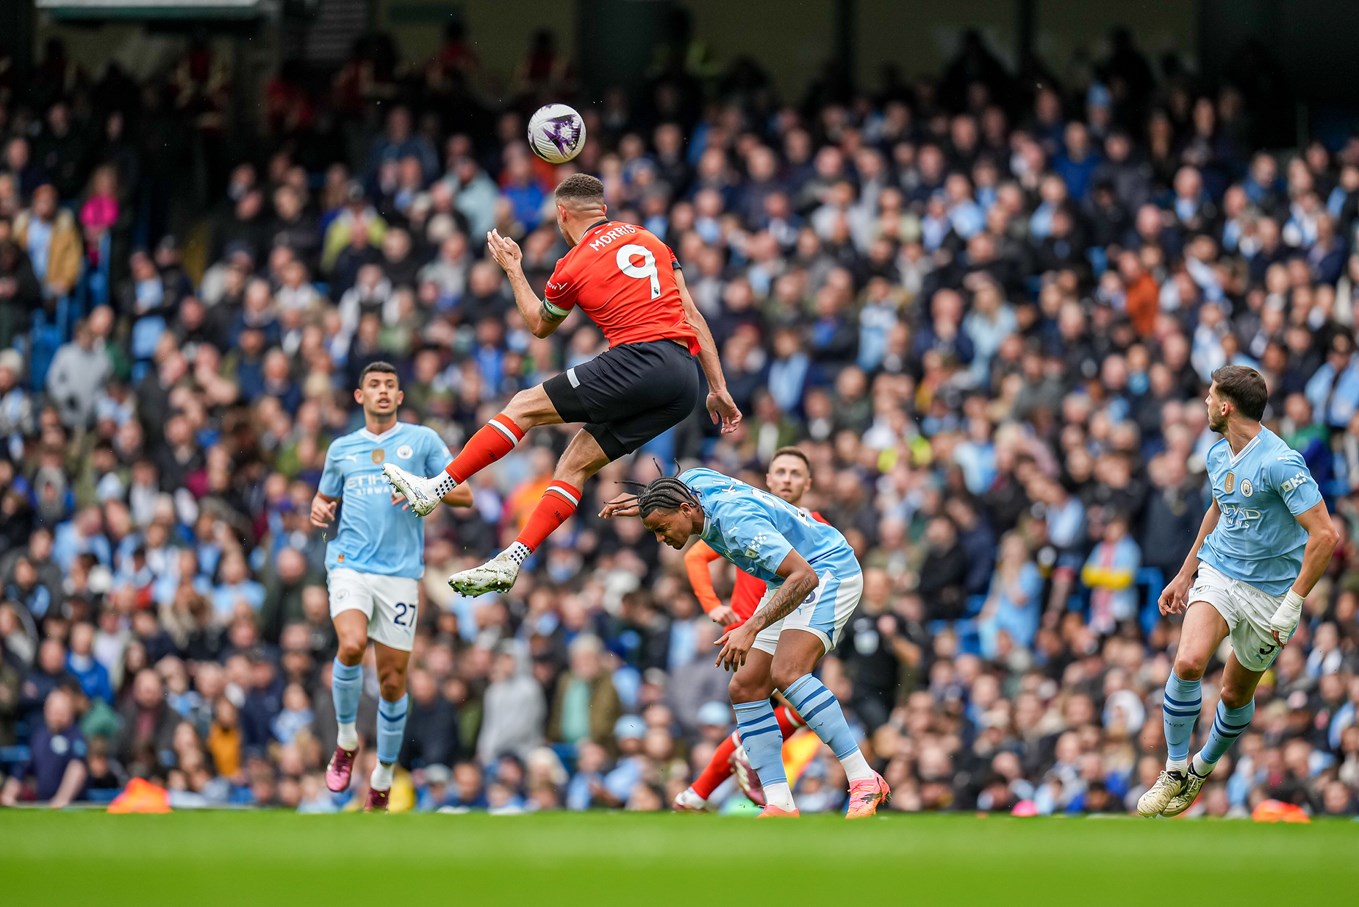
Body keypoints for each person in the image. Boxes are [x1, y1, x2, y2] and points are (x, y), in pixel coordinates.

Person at [382, 173, 740, 596]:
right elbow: (694, 317)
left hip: (639, 358)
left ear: (561, 214)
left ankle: (434, 489)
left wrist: (514, 270)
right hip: (685, 381)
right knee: (574, 464)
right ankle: (511, 558)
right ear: (603, 210)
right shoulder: (650, 240)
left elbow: (539, 325)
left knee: (523, 406)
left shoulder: (572, 264)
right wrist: (717, 387)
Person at [601, 469, 889, 819]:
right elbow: (683, 482)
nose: (662, 539)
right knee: (745, 688)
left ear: (686, 510)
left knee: (788, 671)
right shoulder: (690, 489)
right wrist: (644, 503)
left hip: (827, 571)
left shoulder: (738, 525)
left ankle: (864, 778)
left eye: (662, 528)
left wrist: (750, 628)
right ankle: (780, 803)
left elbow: (805, 577)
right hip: (786, 577)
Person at [1138, 365, 1339, 817]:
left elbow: (1325, 535)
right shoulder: (1215, 454)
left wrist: (1294, 603)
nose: (1206, 403)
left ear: (1226, 406)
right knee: (1189, 661)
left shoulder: (1281, 462)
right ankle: (1173, 769)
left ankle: (1200, 770)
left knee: (1232, 695)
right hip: (1221, 572)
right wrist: (1186, 572)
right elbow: (1218, 507)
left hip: (1270, 594)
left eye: (1211, 396)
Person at [310, 361, 472, 811]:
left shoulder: (421, 441)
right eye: (374, 386)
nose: (382, 392)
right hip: (349, 565)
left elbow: (465, 493)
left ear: (400, 397)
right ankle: (346, 742)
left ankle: (382, 778)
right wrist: (318, 509)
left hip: (400, 575)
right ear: (360, 397)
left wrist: (426, 487)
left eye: (390, 386)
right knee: (351, 644)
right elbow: (324, 499)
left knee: (393, 682)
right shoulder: (341, 449)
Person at [673, 446, 826, 811]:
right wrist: (713, 606)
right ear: (768, 480)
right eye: (781, 472)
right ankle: (705, 787)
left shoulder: (815, 524)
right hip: (752, 631)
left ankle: (696, 795)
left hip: (789, 627)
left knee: (768, 712)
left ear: (808, 482)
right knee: (790, 707)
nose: (787, 479)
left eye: (795, 473)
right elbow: (695, 556)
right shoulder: (745, 517)